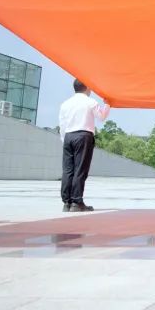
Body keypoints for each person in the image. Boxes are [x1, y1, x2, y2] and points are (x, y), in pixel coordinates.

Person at [59, 79, 111, 212]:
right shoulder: (90, 102)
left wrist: (64, 139)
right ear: (86, 87)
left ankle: (67, 202)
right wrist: (107, 104)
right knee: (80, 170)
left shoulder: (65, 104)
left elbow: (62, 124)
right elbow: (101, 117)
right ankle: (77, 202)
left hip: (68, 136)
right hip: (83, 136)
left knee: (68, 170)